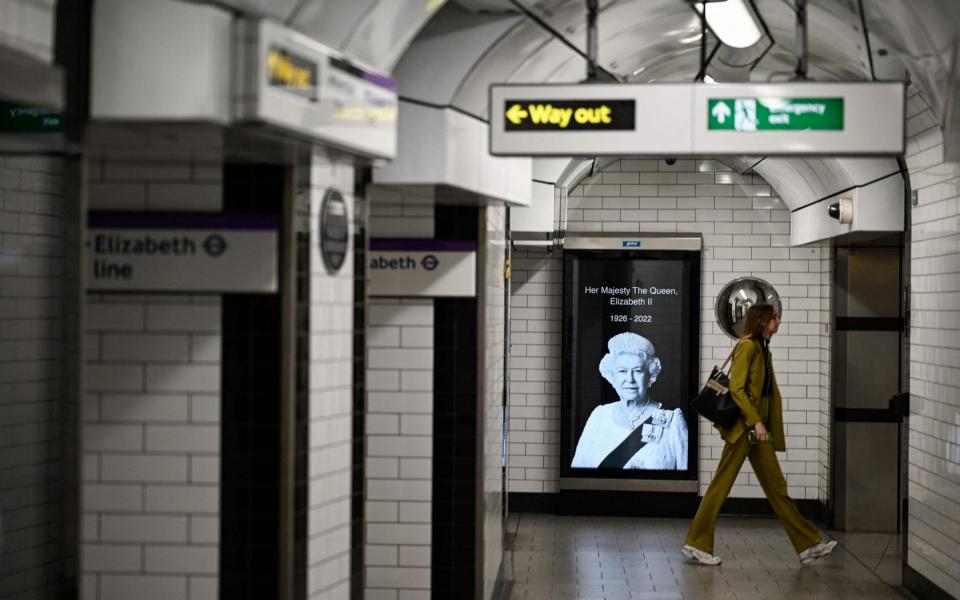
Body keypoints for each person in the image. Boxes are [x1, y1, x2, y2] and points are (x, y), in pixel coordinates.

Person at [682, 303, 837, 566]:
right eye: (774, 318)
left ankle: (807, 544)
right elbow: (738, 390)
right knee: (721, 485)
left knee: (777, 488)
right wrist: (756, 423)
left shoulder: (764, 350)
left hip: (756, 430)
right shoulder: (748, 347)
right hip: (745, 428)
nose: (778, 322)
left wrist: (762, 424)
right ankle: (696, 543)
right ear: (761, 321)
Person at [571, 332, 687, 470]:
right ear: (612, 377)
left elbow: (684, 478)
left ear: (650, 376)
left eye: (637, 371)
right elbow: (580, 472)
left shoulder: (672, 422)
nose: (630, 379)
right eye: (622, 371)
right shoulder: (599, 416)